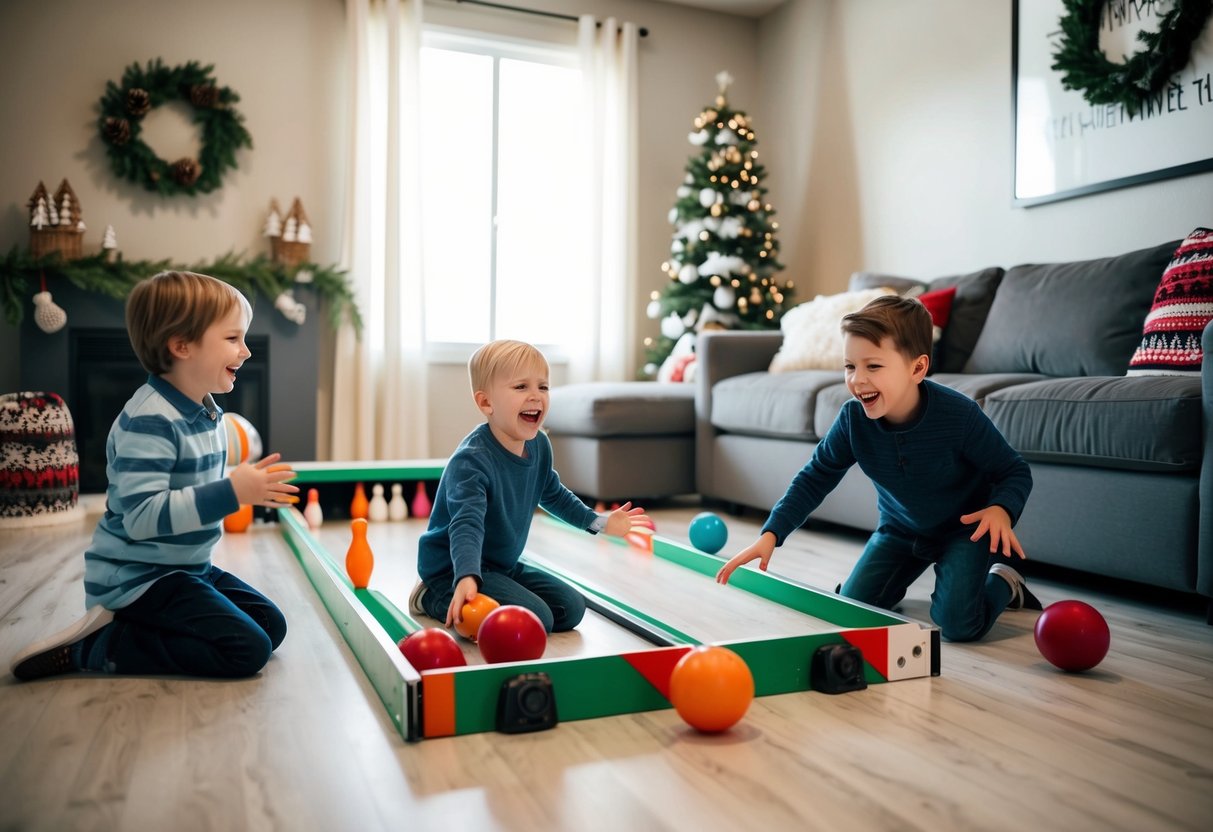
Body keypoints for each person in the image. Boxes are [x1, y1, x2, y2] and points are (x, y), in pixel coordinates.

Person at [10, 271, 299, 681]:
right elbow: (143, 518)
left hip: (186, 567)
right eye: (233, 339)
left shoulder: (205, 412)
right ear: (181, 346)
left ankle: (140, 628)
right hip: (138, 578)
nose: (246, 352)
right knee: (246, 651)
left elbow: (192, 491)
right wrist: (232, 492)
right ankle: (97, 647)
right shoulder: (150, 420)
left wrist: (238, 486)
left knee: (272, 627)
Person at [715, 295, 1040, 642]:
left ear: (917, 369)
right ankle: (877, 590)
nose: (857, 380)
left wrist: (1001, 509)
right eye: (850, 366)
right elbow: (815, 477)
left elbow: (1014, 470)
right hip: (900, 531)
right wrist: (772, 534)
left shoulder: (959, 416)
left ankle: (1005, 579)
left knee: (958, 625)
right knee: (851, 611)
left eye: (873, 366)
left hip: (963, 531)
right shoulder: (853, 420)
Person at [409, 339, 650, 634]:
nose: (536, 396)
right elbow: (466, 525)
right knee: (537, 619)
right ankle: (432, 596)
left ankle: (491, 594)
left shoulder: (539, 446)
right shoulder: (471, 461)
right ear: (486, 403)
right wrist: (467, 576)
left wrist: (598, 522)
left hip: (502, 565)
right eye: (521, 387)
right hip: (453, 567)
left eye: (543, 387)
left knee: (571, 609)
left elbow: (554, 494)